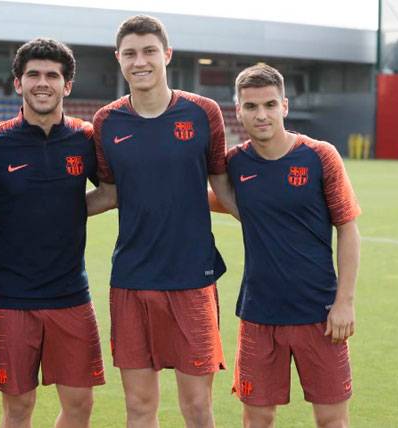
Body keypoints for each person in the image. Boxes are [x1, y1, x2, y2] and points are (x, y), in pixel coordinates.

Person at [86, 15, 237, 428]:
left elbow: (223, 188)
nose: (140, 61)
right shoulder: (106, 122)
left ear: (167, 54)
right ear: (118, 59)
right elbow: (110, 193)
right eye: (130, 53)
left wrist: (274, 220)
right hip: (132, 279)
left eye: (149, 51)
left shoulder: (203, 113)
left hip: (192, 278)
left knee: (197, 407)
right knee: (139, 407)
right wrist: (36, 211)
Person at [0, 37, 105, 428]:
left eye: (52, 75)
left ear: (67, 85)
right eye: (33, 74)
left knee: (80, 405)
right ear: (18, 83)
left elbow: (113, 192)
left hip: (71, 293)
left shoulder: (85, 139)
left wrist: (65, 209)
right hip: (12, 297)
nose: (42, 82)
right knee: (17, 409)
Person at [226, 63, 360, 428]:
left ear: (284, 106)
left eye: (270, 104)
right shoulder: (235, 162)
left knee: (331, 419)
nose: (261, 114)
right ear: (238, 110)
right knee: (257, 418)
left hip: (320, 314)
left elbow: (348, 229)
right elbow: (214, 196)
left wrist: (344, 302)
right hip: (258, 314)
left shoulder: (320, 156)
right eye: (251, 106)